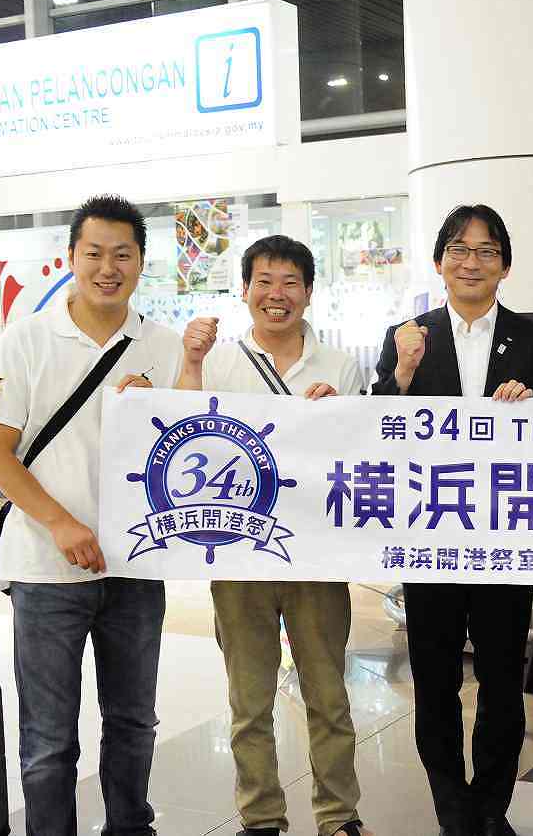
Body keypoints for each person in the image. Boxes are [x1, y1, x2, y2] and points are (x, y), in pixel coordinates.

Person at [0, 194, 183, 836]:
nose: (107, 268)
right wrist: (61, 523)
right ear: (71, 257)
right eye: (94, 253)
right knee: (48, 740)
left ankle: (130, 827)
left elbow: (191, 452)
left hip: (135, 568)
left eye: (122, 254)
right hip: (45, 571)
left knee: (133, 723)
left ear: (141, 262)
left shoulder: (164, 346)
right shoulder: (26, 339)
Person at [372, 204, 533, 836]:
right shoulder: (407, 337)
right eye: (458, 249)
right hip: (429, 538)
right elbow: (375, 430)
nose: (471, 262)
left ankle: (490, 807)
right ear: (439, 262)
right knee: (434, 682)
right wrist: (402, 375)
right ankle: (451, 810)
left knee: (501, 682)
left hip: (505, 540)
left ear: (505, 266)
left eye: (487, 251)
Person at [175, 235, 373, 836]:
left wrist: (337, 416)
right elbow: (180, 431)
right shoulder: (219, 362)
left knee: (329, 697)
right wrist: (190, 362)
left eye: (290, 283)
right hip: (238, 552)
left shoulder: (340, 365)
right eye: (264, 281)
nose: (276, 294)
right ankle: (261, 816)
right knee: (249, 701)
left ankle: (338, 816)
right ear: (244, 290)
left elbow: (363, 452)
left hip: (316, 555)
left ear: (309, 292)